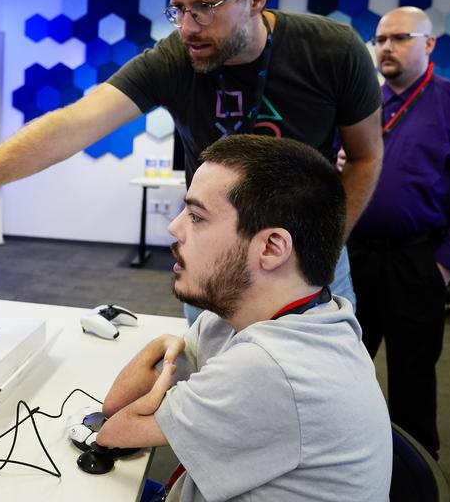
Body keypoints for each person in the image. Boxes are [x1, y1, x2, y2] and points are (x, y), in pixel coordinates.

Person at [0, 0, 384, 324]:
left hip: (307, 257)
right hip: (212, 254)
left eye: (205, 7)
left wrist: (327, 244)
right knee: (215, 391)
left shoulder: (332, 50)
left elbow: (365, 156)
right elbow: (71, 126)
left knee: (312, 403)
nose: (188, 26)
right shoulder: (174, 59)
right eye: (178, 9)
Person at [96, 135, 392, 502]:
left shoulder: (275, 367)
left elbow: (112, 431)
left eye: (196, 216)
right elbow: (114, 407)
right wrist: (161, 348)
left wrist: (165, 350)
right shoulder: (302, 314)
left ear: (271, 247)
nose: (174, 228)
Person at [348, 7, 450, 459]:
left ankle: (416, 470)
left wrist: (446, 263)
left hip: (418, 260)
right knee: (345, 365)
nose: (386, 47)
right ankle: (346, 457)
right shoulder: (364, 102)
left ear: (429, 44)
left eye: (400, 38)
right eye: (380, 39)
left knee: (412, 374)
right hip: (357, 258)